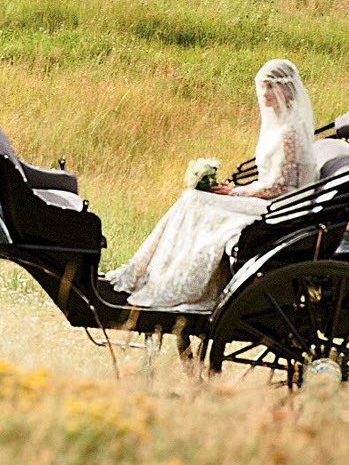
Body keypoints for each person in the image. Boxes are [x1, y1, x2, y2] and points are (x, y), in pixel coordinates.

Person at [103, 59, 316, 311]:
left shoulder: (289, 132)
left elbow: (277, 187)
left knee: (195, 201)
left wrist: (235, 192)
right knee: (192, 199)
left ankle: (176, 282)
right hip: (268, 201)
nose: (265, 94)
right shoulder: (281, 125)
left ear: (286, 89)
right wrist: (235, 191)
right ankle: (152, 273)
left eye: (271, 87)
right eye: (263, 87)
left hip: (280, 208)